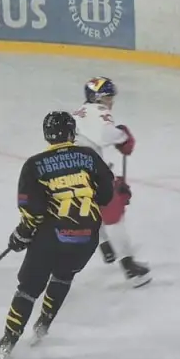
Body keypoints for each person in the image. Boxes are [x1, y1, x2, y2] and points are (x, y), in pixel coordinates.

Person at [0, 112, 117, 359]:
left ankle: (7, 342)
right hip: (87, 236)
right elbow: (105, 195)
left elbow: (32, 209)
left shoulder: (34, 165)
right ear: (71, 133)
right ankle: (43, 324)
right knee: (63, 275)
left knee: (28, 289)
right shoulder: (89, 156)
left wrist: (21, 235)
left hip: (52, 237)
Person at [70, 77, 148, 287]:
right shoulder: (99, 111)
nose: (111, 101)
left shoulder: (78, 112)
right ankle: (130, 268)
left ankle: (105, 246)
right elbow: (106, 134)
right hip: (86, 169)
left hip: (64, 170)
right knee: (114, 213)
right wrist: (124, 137)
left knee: (91, 208)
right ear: (98, 97)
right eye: (108, 97)